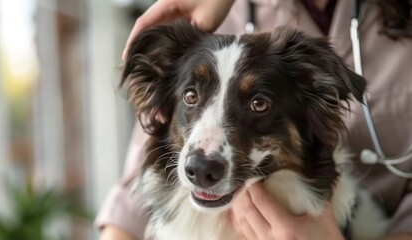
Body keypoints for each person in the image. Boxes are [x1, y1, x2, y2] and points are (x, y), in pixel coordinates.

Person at [96, 0, 412, 239]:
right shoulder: (210, 12)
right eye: (192, 97)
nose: (203, 156)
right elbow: (131, 199)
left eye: (258, 103)